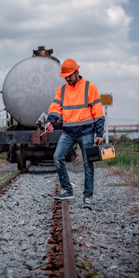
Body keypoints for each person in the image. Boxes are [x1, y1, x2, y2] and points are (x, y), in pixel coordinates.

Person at [45, 58, 104, 210]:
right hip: (68, 132)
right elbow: (55, 108)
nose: (67, 78)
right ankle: (68, 190)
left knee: (88, 164)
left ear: (77, 72)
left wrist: (99, 133)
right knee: (57, 157)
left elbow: (98, 113)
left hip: (86, 132)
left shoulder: (90, 88)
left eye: (69, 75)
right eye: (65, 76)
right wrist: (50, 122)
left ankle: (88, 197)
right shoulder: (62, 90)